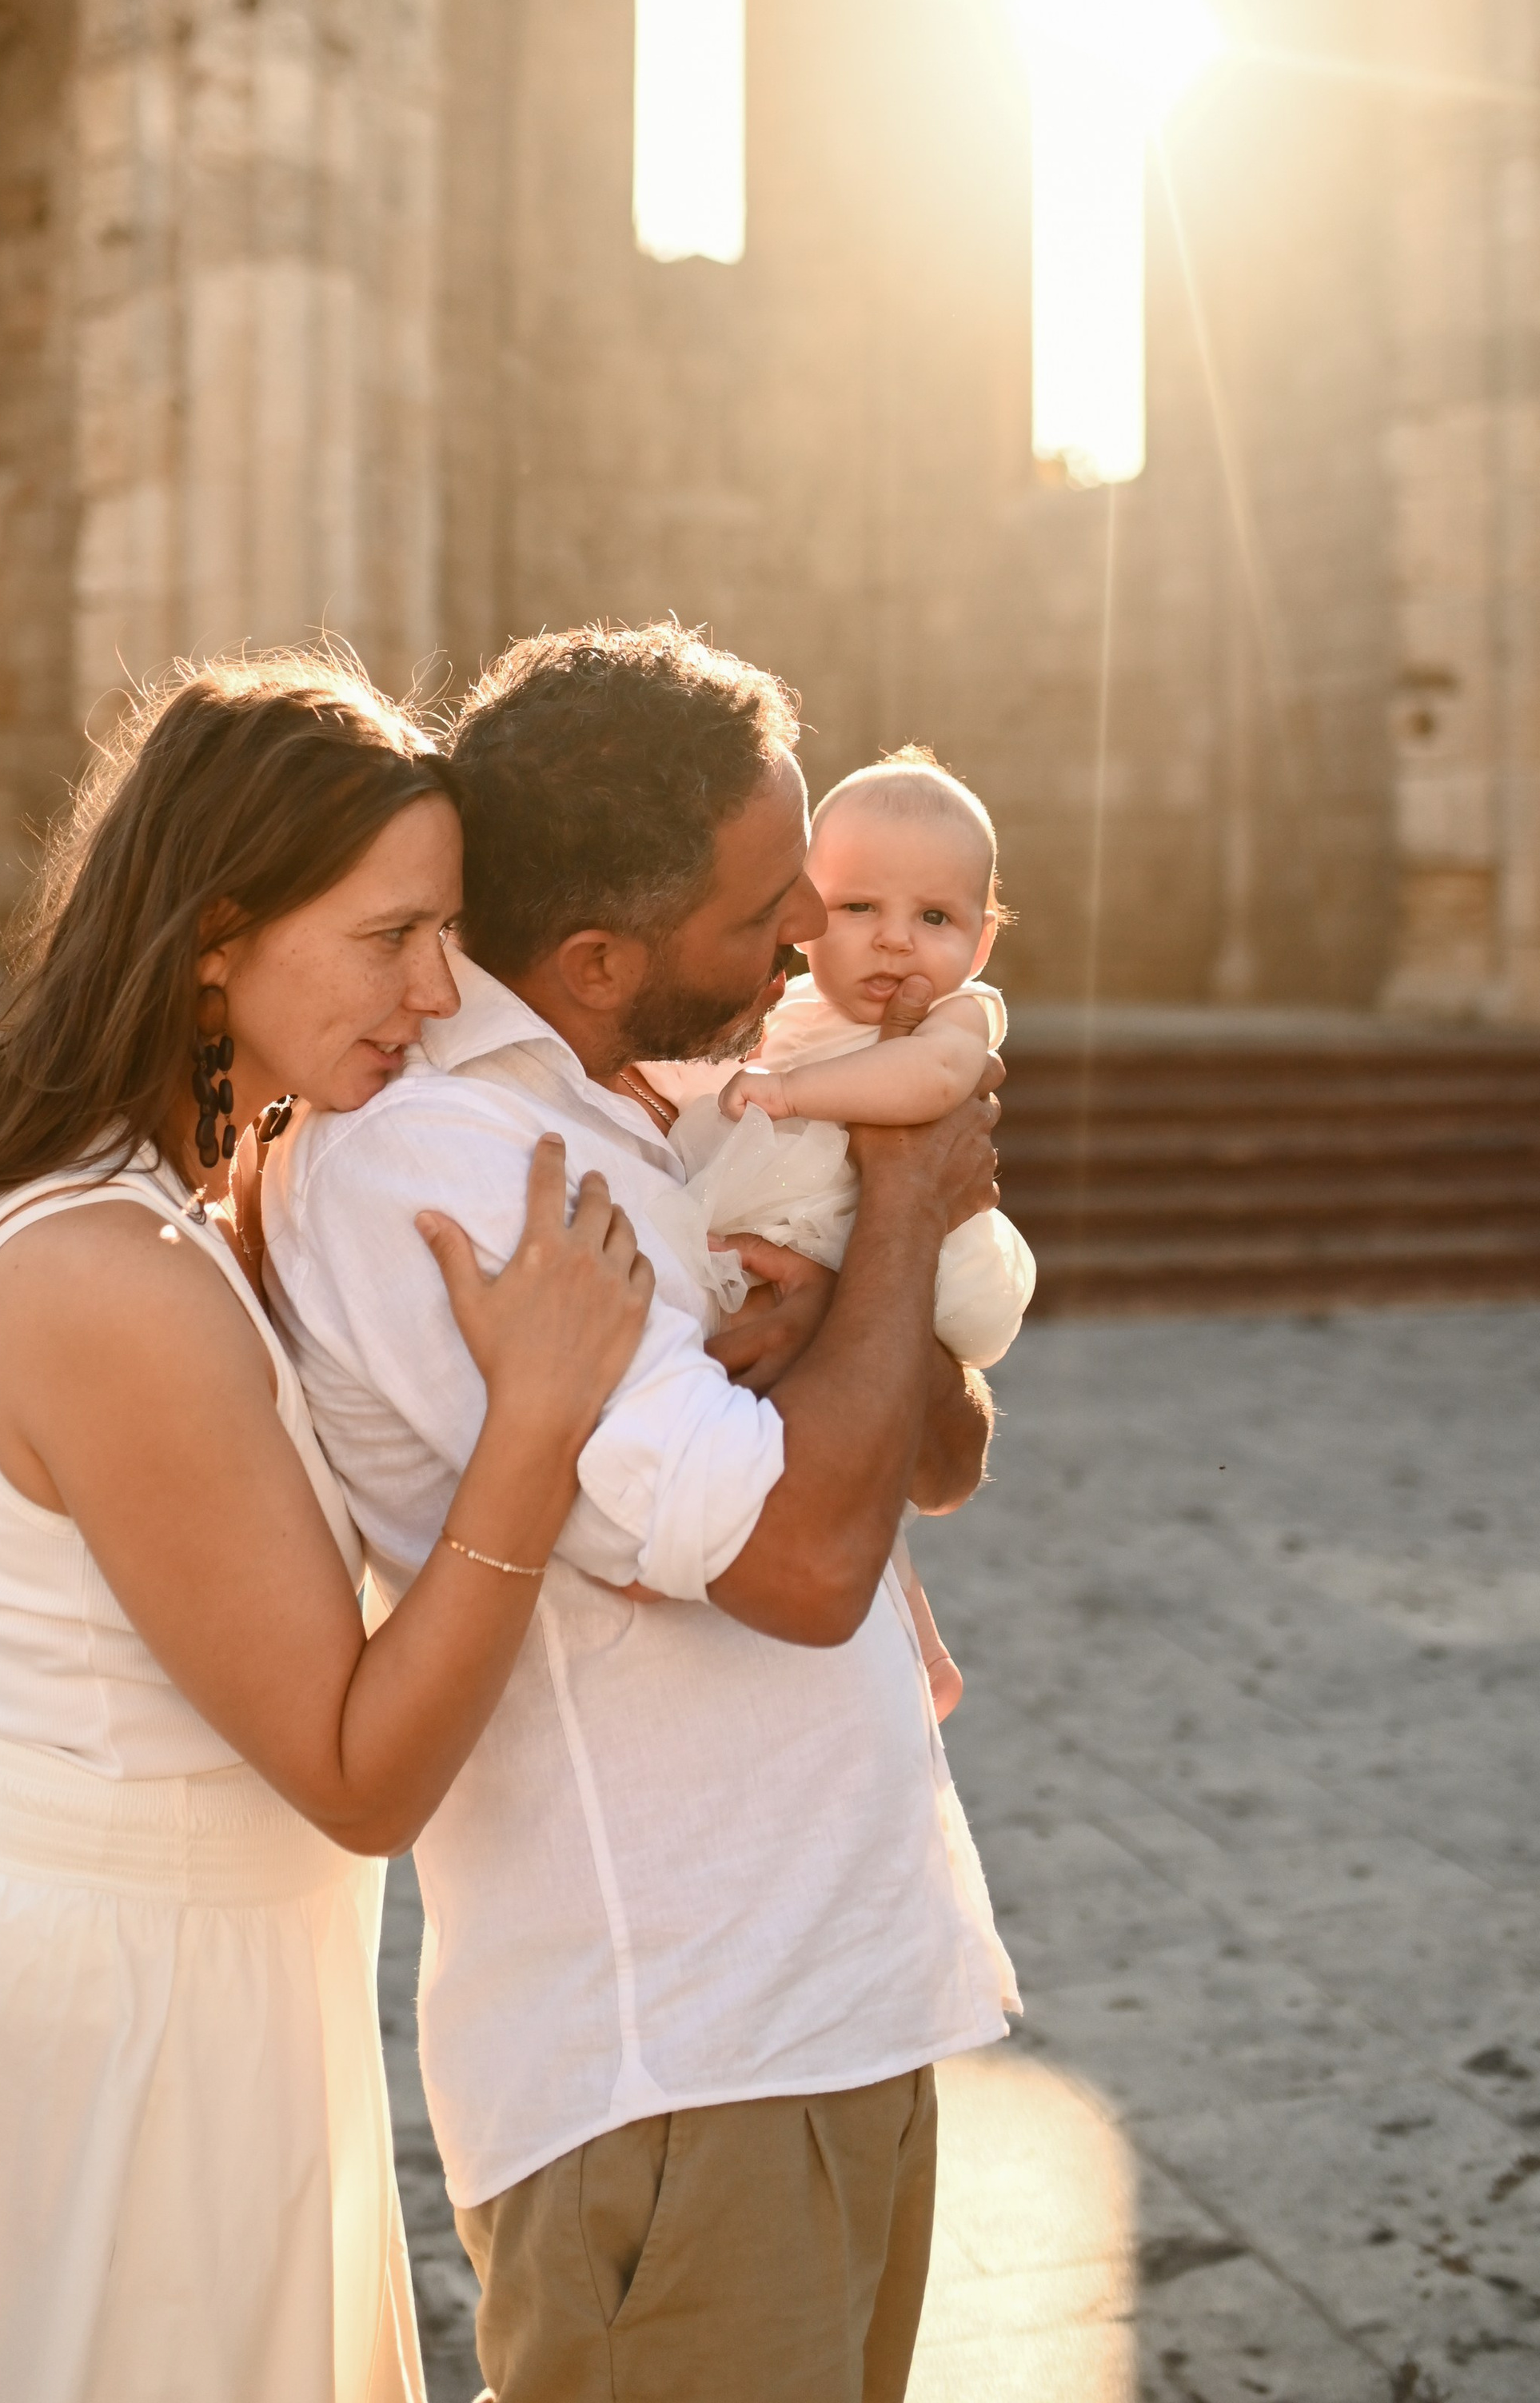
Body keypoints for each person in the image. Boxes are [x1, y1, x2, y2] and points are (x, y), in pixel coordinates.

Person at [0, 653, 653, 2403]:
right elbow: (355, 1772)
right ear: (213, 936)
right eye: (389, 936)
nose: (438, 989)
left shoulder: (221, 1196)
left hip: (234, 1980)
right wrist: (539, 1422)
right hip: (115, 2025)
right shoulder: (106, 1273)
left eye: (451, 933)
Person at [266, 622, 1019, 2403]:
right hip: (674, 2067)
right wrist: (904, 1185)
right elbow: (809, 1562)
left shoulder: (656, 1107)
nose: (812, 935)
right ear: (599, 954)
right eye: (770, 900)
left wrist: (856, 1290)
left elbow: (934, 1456)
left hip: (840, 2001)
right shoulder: (455, 1168)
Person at [653, 744, 1037, 1723]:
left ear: (982, 942)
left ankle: (905, 1629)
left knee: (847, 1402)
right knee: (828, 1437)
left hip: (935, 1266)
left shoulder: (955, 1016)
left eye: (936, 917)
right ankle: (920, 1644)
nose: (897, 943)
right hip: (820, 1232)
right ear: (804, 907)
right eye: (860, 908)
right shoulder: (784, 1011)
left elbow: (930, 1088)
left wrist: (790, 1092)